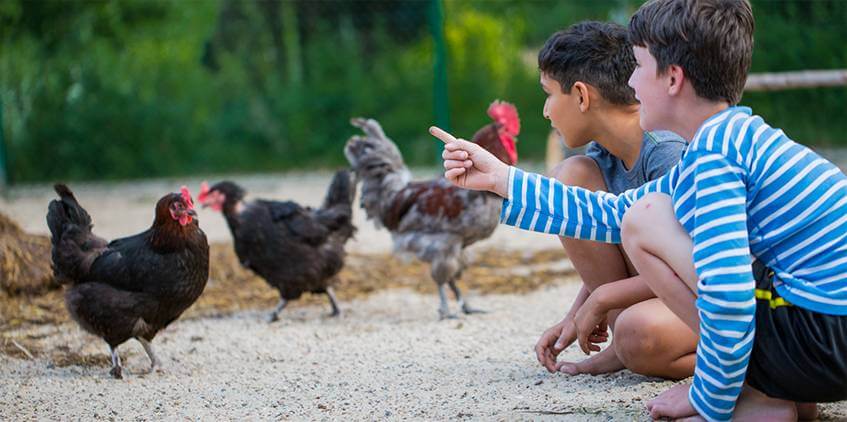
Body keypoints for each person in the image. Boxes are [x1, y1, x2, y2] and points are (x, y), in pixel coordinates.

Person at [432, 0, 847, 419]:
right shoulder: (732, 141)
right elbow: (610, 214)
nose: (629, 81)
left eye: (638, 66)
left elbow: (730, 296)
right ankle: (775, 394)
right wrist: (501, 180)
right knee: (640, 215)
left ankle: (755, 394)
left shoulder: (716, 156)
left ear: (672, 78)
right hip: (824, 335)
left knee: (647, 218)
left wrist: (707, 397)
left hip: (824, 339)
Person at [532, 21, 694, 380]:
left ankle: (749, 371)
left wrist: (604, 298)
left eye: (548, 94)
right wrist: (575, 315)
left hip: (707, 298)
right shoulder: (602, 153)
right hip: (654, 295)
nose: (545, 111)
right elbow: (608, 241)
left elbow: (696, 266)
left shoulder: (666, 151)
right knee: (569, 180)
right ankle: (622, 344)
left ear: (581, 95)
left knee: (638, 334)